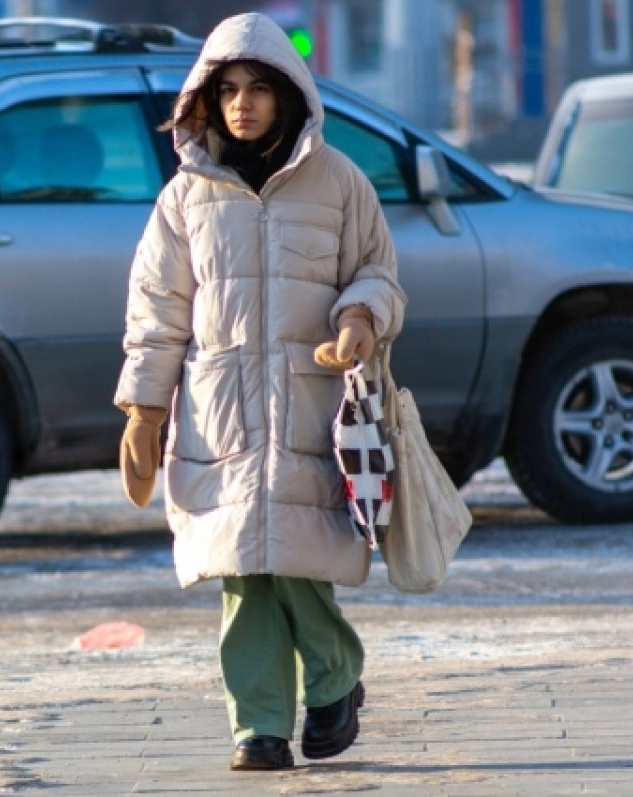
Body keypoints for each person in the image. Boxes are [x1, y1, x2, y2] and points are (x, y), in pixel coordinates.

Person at [113, 12, 405, 771]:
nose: (242, 104)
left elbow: (379, 274)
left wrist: (360, 319)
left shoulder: (339, 182)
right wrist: (143, 410)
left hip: (313, 410)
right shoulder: (185, 198)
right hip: (221, 414)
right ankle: (260, 728)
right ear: (207, 101)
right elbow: (156, 312)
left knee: (301, 564)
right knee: (243, 574)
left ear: (288, 95)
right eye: (228, 90)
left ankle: (336, 679)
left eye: (258, 89)